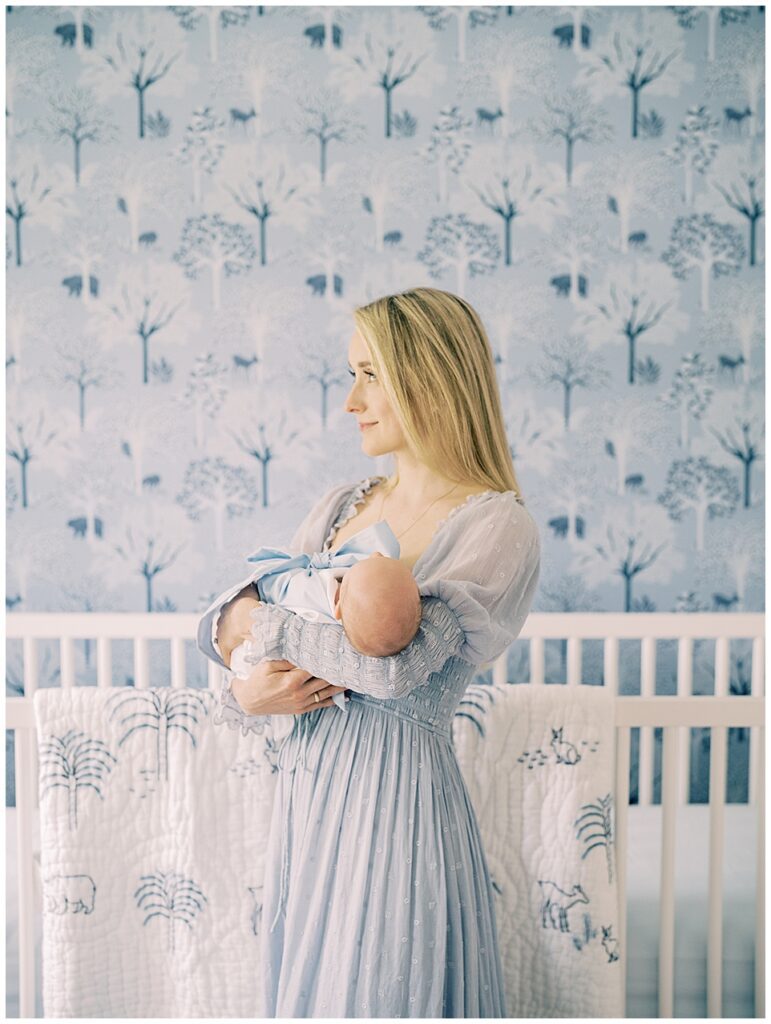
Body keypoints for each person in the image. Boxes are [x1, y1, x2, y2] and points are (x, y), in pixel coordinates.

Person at [196, 286, 541, 1018]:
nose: (350, 401)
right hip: (309, 792)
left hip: (396, 799)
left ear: (431, 378)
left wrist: (266, 628)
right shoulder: (340, 506)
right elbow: (219, 621)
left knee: (385, 985)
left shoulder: (493, 526)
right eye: (351, 375)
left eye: (370, 374)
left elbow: (393, 672)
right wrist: (242, 692)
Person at [203, 518, 421, 717]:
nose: (376, 554)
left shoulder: (313, 594)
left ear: (336, 605)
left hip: (260, 657)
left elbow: (271, 586)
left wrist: (247, 604)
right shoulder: (339, 505)